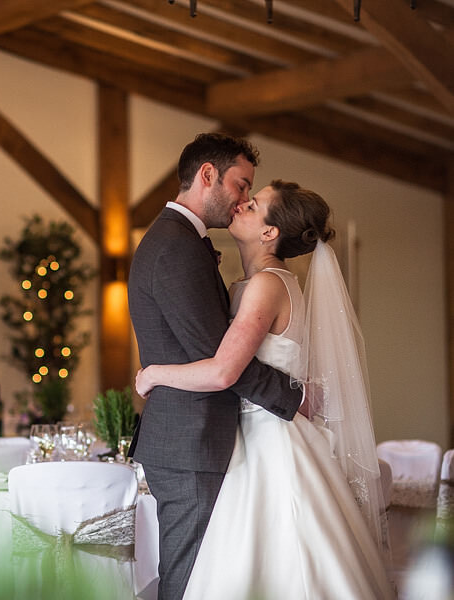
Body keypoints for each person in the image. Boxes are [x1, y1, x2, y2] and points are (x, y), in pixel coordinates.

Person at [135, 180, 394, 599]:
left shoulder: (266, 286)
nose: (240, 204)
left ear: (270, 232)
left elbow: (223, 372)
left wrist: (153, 374)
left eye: (252, 204)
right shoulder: (252, 282)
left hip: (268, 440)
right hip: (248, 432)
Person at [126, 133, 303, 600]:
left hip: (195, 439)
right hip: (191, 443)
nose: (244, 199)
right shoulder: (177, 246)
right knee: (188, 583)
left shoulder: (182, 240)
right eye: (242, 185)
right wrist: (296, 396)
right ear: (208, 175)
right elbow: (220, 357)